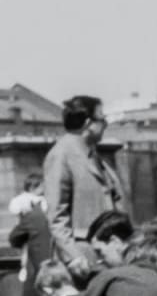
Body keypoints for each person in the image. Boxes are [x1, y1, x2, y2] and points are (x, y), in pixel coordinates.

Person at [44, 98, 128, 280]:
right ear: (88, 123)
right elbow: (56, 215)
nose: (105, 124)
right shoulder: (62, 154)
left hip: (105, 256)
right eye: (102, 118)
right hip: (83, 262)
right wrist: (74, 256)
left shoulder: (92, 154)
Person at [1, 182, 64, 296]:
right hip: (65, 280)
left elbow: (14, 238)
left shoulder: (34, 216)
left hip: (42, 280)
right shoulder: (61, 214)